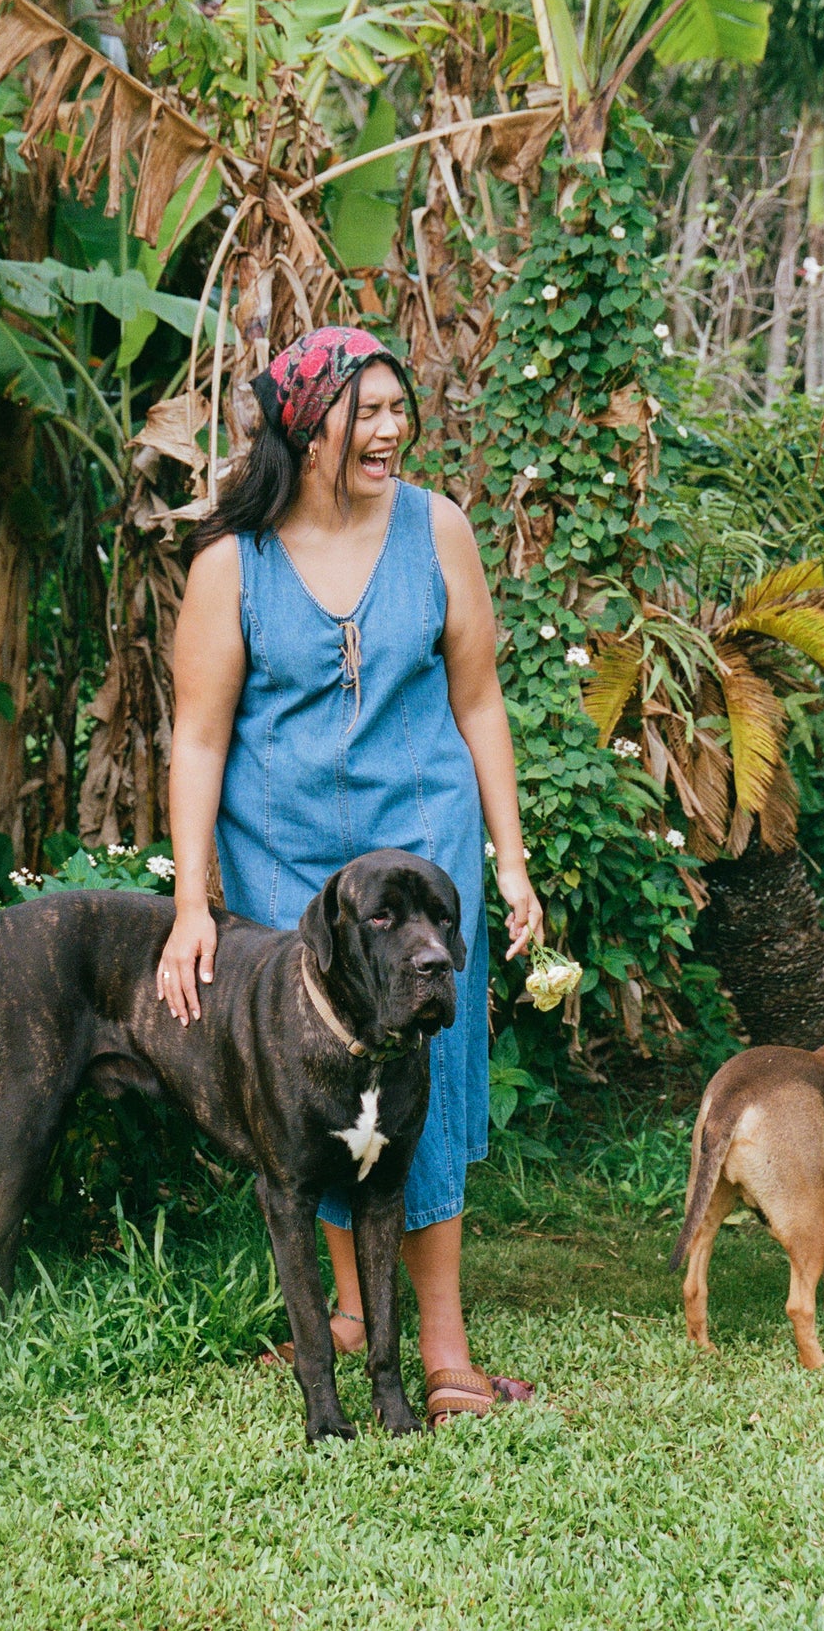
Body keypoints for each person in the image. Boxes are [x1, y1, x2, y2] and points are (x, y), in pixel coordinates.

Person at [157, 325, 543, 1425]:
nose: (388, 429)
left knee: (438, 1072)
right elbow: (196, 737)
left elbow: (476, 700)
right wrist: (194, 903)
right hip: (286, 861)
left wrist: (508, 859)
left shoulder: (438, 528)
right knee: (313, 1080)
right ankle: (346, 1310)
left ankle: (442, 1347)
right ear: (303, 424)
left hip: (421, 853)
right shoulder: (233, 564)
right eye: (362, 410)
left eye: (394, 408)